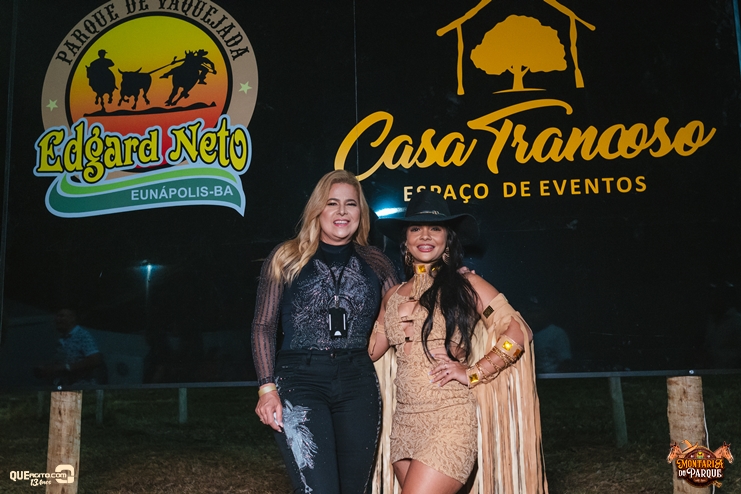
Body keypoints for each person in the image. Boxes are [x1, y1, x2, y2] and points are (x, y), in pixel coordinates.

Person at [369, 191, 547, 494]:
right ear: (405, 240)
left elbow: (519, 332)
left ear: (448, 239)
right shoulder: (392, 296)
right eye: (415, 228)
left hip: (449, 420)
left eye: (435, 228)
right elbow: (370, 351)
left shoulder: (467, 285)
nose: (425, 235)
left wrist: (473, 372)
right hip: (404, 425)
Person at [251, 170, 399, 494]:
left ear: (361, 213)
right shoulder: (286, 257)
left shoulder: (376, 262)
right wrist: (266, 389)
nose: (342, 211)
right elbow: (263, 327)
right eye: (332, 203)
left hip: (358, 383)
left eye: (351, 204)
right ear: (317, 209)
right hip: (300, 382)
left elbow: (405, 306)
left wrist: (449, 276)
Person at [34, 307, 104, 386]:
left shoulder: (82, 335)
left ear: (72, 318)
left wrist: (66, 367)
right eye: (57, 316)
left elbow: (95, 359)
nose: (57, 319)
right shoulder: (62, 339)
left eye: (62, 316)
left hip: (81, 388)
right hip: (66, 388)